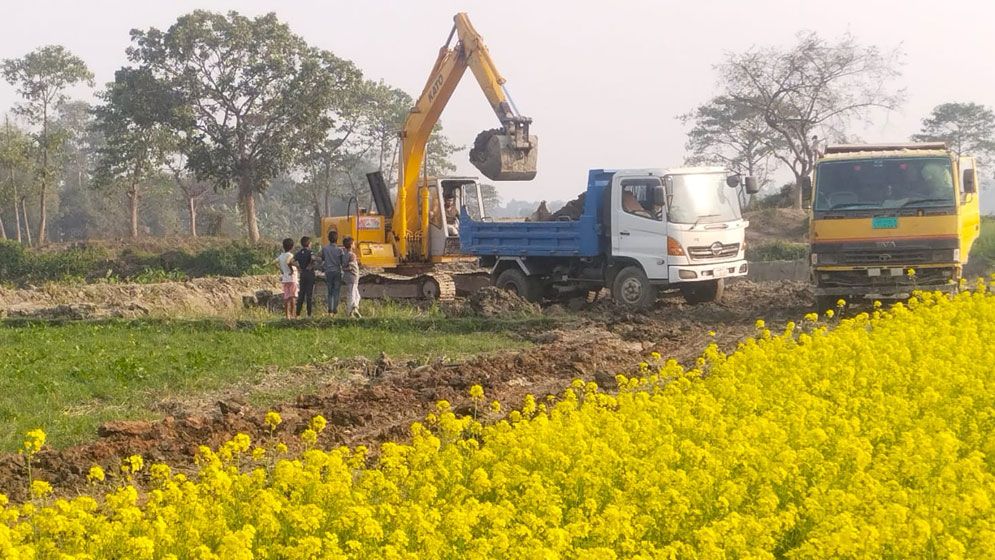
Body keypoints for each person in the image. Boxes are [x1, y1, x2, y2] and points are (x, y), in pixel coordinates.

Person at [274, 238, 299, 320]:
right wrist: (291, 270)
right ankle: (293, 315)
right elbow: (289, 262)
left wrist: (281, 270)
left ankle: (287, 316)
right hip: (292, 278)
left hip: (285, 279)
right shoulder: (290, 255)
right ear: (292, 247)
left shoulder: (281, 256)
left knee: (286, 297)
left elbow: (273, 262)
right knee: (293, 297)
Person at [321, 230, 343, 315]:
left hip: (328, 272)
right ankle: (335, 310)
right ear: (337, 239)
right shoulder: (339, 250)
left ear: (328, 239)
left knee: (329, 292)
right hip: (337, 272)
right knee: (336, 291)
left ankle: (329, 310)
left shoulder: (325, 249)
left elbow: (323, 258)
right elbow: (341, 262)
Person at [294, 236, 316, 318]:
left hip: (302, 274)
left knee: (301, 294)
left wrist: (298, 268)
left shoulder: (299, 253)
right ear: (309, 244)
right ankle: (309, 314)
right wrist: (309, 266)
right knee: (309, 295)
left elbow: (291, 261)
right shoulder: (310, 252)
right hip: (309, 274)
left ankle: (297, 314)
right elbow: (313, 259)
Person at [341, 236, 362, 318]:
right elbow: (350, 266)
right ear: (351, 245)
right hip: (352, 277)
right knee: (352, 294)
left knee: (357, 295)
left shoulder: (344, 254)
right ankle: (350, 312)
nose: (354, 245)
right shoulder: (352, 255)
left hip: (349, 277)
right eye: (353, 243)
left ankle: (355, 308)